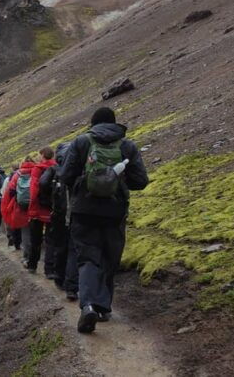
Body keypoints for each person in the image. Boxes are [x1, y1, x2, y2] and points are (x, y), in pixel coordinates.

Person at [59, 107, 148, 334]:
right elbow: (141, 181)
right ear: (114, 123)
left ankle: (87, 305)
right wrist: (118, 179)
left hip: (84, 210)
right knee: (109, 257)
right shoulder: (127, 146)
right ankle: (103, 308)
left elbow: (65, 176)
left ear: (93, 123)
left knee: (88, 258)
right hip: (115, 211)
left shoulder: (81, 142)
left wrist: (84, 182)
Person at [39, 142, 72, 293]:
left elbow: (42, 184)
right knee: (74, 247)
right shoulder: (77, 167)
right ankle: (71, 283)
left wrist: (49, 201)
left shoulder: (53, 170)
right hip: (77, 214)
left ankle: (55, 274)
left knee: (55, 242)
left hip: (58, 212)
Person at [26, 147, 56, 275]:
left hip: (38, 210)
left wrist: (31, 210)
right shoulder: (58, 168)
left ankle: (32, 265)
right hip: (53, 210)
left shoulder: (37, 169)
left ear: (42, 155)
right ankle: (49, 270)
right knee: (51, 240)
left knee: (36, 240)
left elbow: (33, 191)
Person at [2, 158, 34, 253]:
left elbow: (11, 190)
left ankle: (26, 254)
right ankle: (34, 254)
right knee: (35, 229)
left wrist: (17, 198)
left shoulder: (18, 174)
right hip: (35, 205)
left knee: (24, 228)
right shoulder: (37, 172)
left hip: (21, 205)